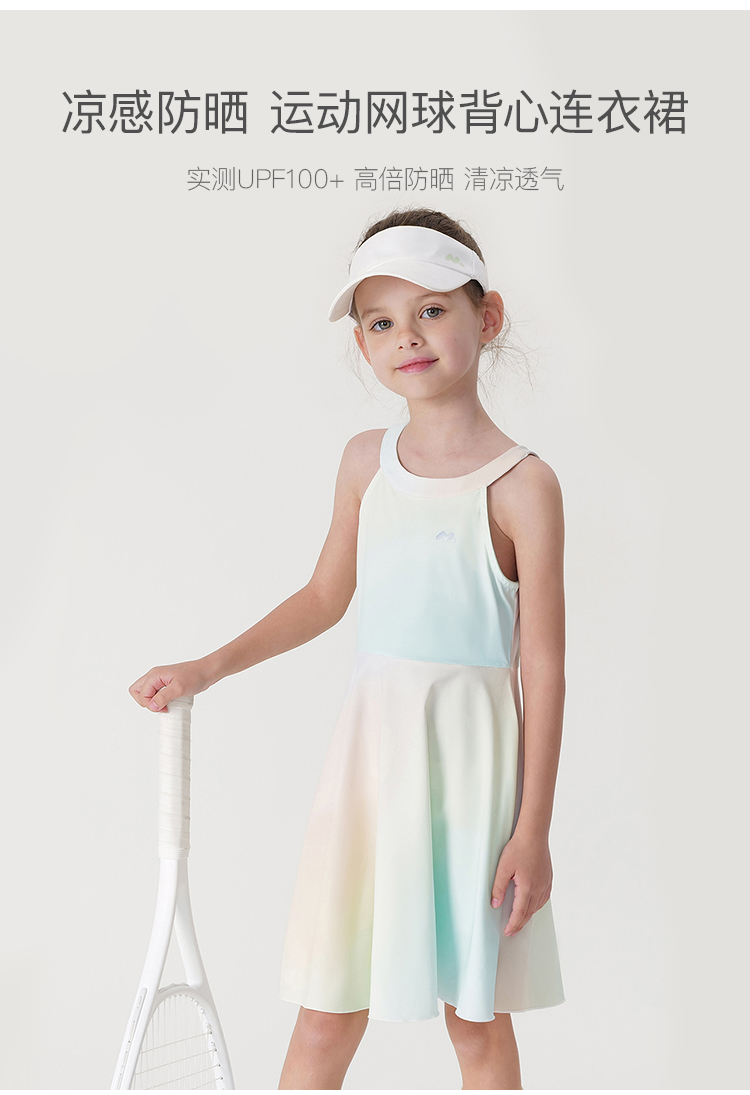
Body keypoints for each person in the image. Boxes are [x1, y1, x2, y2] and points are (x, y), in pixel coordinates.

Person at [129, 208, 566, 1090]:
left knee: (476, 1019)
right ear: (362, 343)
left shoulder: (524, 485)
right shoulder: (366, 463)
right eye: (380, 321)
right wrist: (206, 667)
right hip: (370, 774)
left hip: (474, 786)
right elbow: (324, 598)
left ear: (487, 317)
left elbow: (544, 666)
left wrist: (532, 829)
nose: (407, 336)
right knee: (327, 1011)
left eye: (431, 310)